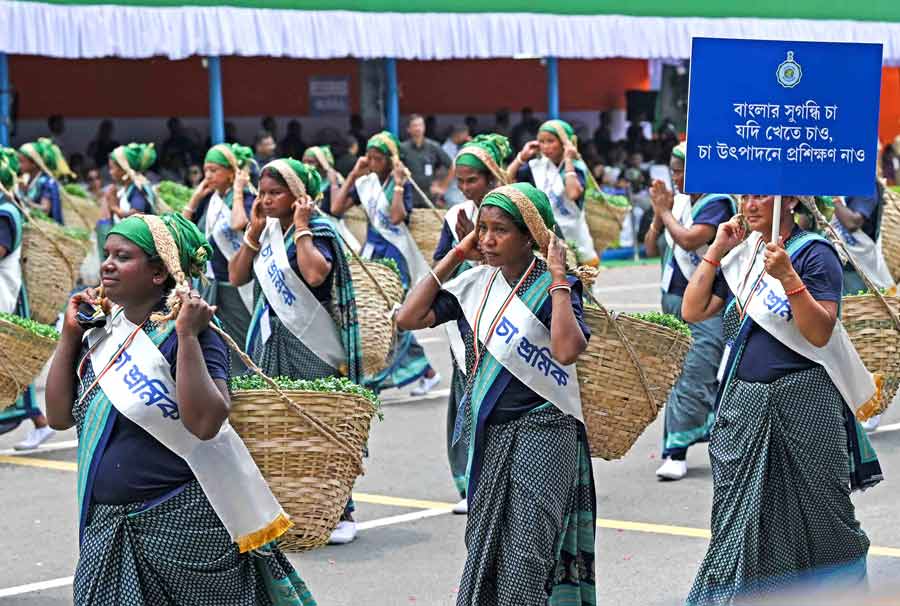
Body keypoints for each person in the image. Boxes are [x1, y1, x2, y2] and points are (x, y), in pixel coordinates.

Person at [45, 212, 315, 605]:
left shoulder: (194, 335)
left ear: (158, 273)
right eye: (107, 254)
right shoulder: (103, 332)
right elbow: (57, 416)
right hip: (108, 525)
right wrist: (71, 334)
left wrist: (187, 336)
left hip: (184, 525)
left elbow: (206, 422)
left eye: (123, 256)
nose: (106, 264)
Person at [397, 182, 596, 605]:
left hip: (546, 434)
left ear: (530, 235)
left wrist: (560, 278)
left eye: (499, 230)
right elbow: (408, 317)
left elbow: (565, 350)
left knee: (528, 555)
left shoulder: (554, 287)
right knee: (488, 552)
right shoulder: (474, 286)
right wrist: (454, 255)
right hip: (491, 436)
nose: (486, 239)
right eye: (482, 229)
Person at [682, 194, 882, 604]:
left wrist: (789, 279)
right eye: (746, 195)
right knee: (737, 520)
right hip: (744, 404)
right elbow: (693, 308)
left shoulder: (814, 253)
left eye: (762, 195)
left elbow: (819, 333)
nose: (750, 204)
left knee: (825, 518)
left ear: (789, 200)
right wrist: (717, 250)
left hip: (806, 402)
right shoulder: (743, 255)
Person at [230, 159, 363, 544]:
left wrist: (302, 227)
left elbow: (315, 274)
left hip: (311, 344)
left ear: (298, 196)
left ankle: (342, 511)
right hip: (270, 339)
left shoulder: (319, 230)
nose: (265, 199)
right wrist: (253, 233)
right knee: (273, 428)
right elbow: (236, 275)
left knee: (317, 425)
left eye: (275, 193)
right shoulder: (267, 232)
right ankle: (284, 508)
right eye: (262, 192)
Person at [643, 142, 737, 480]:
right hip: (672, 302)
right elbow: (650, 246)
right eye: (673, 169)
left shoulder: (716, 203)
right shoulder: (681, 202)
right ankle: (685, 439)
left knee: (696, 371)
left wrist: (665, 211)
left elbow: (688, 240)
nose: (676, 176)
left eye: (682, 170)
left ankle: (676, 450)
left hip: (705, 307)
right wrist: (659, 213)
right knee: (678, 375)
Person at [433, 133, 511, 515]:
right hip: (468, 317)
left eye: (472, 180)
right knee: (466, 396)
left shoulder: (518, 207)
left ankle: (500, 477)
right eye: (460, 181)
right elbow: (442, 266)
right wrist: (464, 245)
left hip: (511, 315)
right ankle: (470, 480)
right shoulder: (455, 217)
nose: (465, 189)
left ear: (492, 177)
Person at [331, 131, 441, 395]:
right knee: (379, 319)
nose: (371, 161)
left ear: (390, 160)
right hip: (373, 258)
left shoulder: (401, 183)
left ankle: (420, 370)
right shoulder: (367, 183)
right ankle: (401, 372)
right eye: (369, 156)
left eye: (377, 158)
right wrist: (353, 175)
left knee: (393, 318)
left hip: (396, 260)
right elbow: (336, 208)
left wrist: (400, 183)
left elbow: (395, 217)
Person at [182, 143, 256, 375]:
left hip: (234, 285)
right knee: (216, 341)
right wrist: (195, 198)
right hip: (211, 283)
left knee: (239, 342)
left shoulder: (244, 198)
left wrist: (237, 189)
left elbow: (237, 224)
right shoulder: (210, 200)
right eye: (206, 170)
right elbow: (185, 229)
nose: (209, 176)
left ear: (230, 171)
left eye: (214, 170)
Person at [0, 147, 56, 448]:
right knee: (10, 365)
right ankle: (37, 419)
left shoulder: (4, 213)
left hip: (3, 295)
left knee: (10, 365)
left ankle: (38, 419)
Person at [507, 118, 600, 266]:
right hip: (547, 238)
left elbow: (573, 193)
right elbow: (507, 181)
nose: (545, 146)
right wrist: (521, 157)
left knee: (580, 285)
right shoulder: (536, 167)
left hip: (574, 235)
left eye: (551, 141)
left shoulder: (576, 167)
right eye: (541, 142)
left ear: (564, 143)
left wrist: (569, 159)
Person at [831, 183, 894, 295]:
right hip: (837, 265)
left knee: (865, 306)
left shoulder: (865, 181)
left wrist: (830, 197)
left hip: (860, 268)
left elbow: (853, 223)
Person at [302, 145, 360, 251]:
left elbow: (335, 210)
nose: (306, 165)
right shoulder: (309, 182)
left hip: (333, 229)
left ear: (322, 164)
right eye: (304, 162)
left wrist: (333, 183)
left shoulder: (334, 180)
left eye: (311, 162)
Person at [401, 114, 453, 207]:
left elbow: (453, 166)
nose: (418, 128)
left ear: (424, 127)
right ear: (408, 129)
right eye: (414, 126)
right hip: (409, 197)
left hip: (430, 198)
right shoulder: (403, 148)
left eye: (420, 125)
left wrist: (442, 186)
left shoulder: (433, 146)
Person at [18, 138, 72, 224]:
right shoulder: (27, 179)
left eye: (22, 161)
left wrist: (24, 200)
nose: (19, 165)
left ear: (34, 164)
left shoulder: (46, 182)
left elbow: (45, 209)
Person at [105, 143, 157, 222]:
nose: (110, 172)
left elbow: (137, 215)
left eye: (112, 168)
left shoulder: (137, 188)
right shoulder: (127, 188)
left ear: (123, 169)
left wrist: (114, 207)